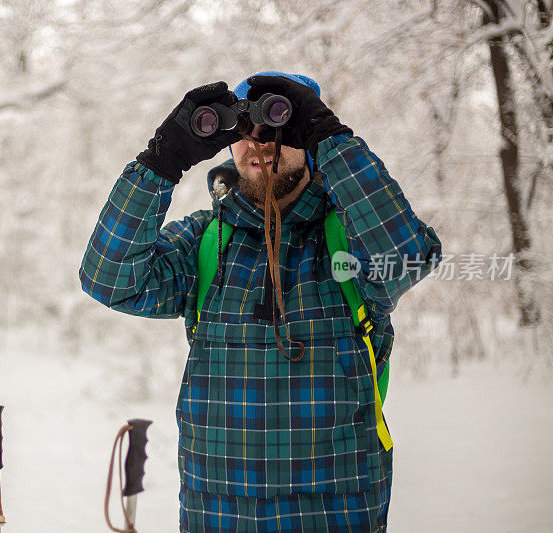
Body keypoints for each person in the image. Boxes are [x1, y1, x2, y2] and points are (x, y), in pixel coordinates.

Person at [79, 71, 442, 532]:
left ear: (308, 135)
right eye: (245, 133)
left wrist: (334, 139)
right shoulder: (204, 242)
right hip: (217, 518)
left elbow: (409, 258)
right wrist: (161, 163)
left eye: (278, 129)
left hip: (335, 518)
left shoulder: (348, 236)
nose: (260, 145)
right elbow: (108, 280)